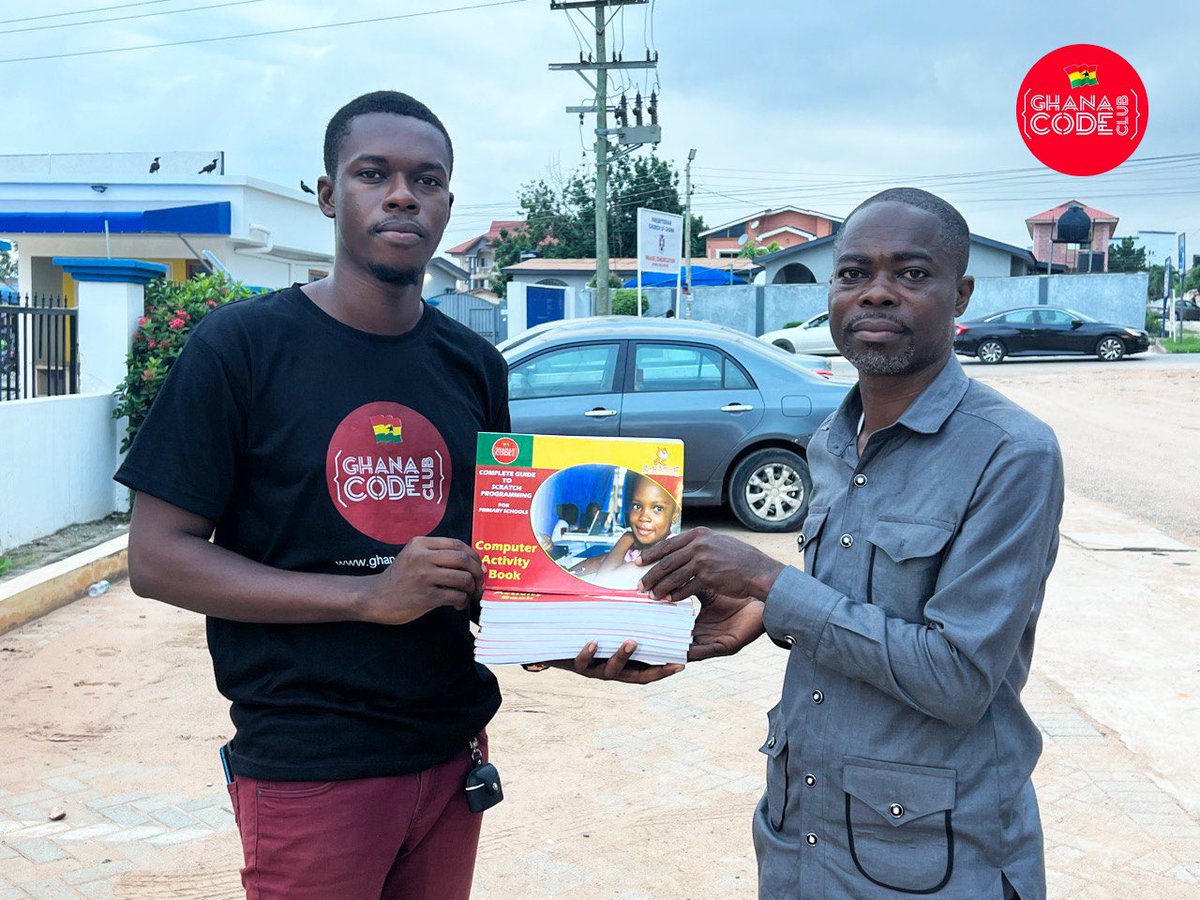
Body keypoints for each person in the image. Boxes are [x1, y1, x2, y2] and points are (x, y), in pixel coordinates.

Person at [115, 90, 659, 900]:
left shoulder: (474, 364)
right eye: (374, 174)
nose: (403, 194)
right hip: (312, 762)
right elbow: (157, 560)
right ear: (330, 195)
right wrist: (370, 595)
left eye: (427, 179)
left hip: (450, 754)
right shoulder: (240, 348)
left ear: (446, 202)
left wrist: (585, 629)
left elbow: (490, 566)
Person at [639, 188, 1063, 900]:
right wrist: (759, 617)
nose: (876, 294)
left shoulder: (1012, 453)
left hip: (932, 857)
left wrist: (772, 586)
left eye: (911, 274)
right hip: (803, 828)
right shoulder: (832, 442)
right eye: (853, 273)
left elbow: (958, 679)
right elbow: (850, 608)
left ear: (960, 295)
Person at [568, 474, 679, 590]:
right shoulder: (640, 548)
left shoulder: (669, 550)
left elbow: (604, 581)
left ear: (674, 514)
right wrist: (567, 573)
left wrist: (626, 538)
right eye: (637, 506)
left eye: (658, 508)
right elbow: (602, 561)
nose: (644, 517)